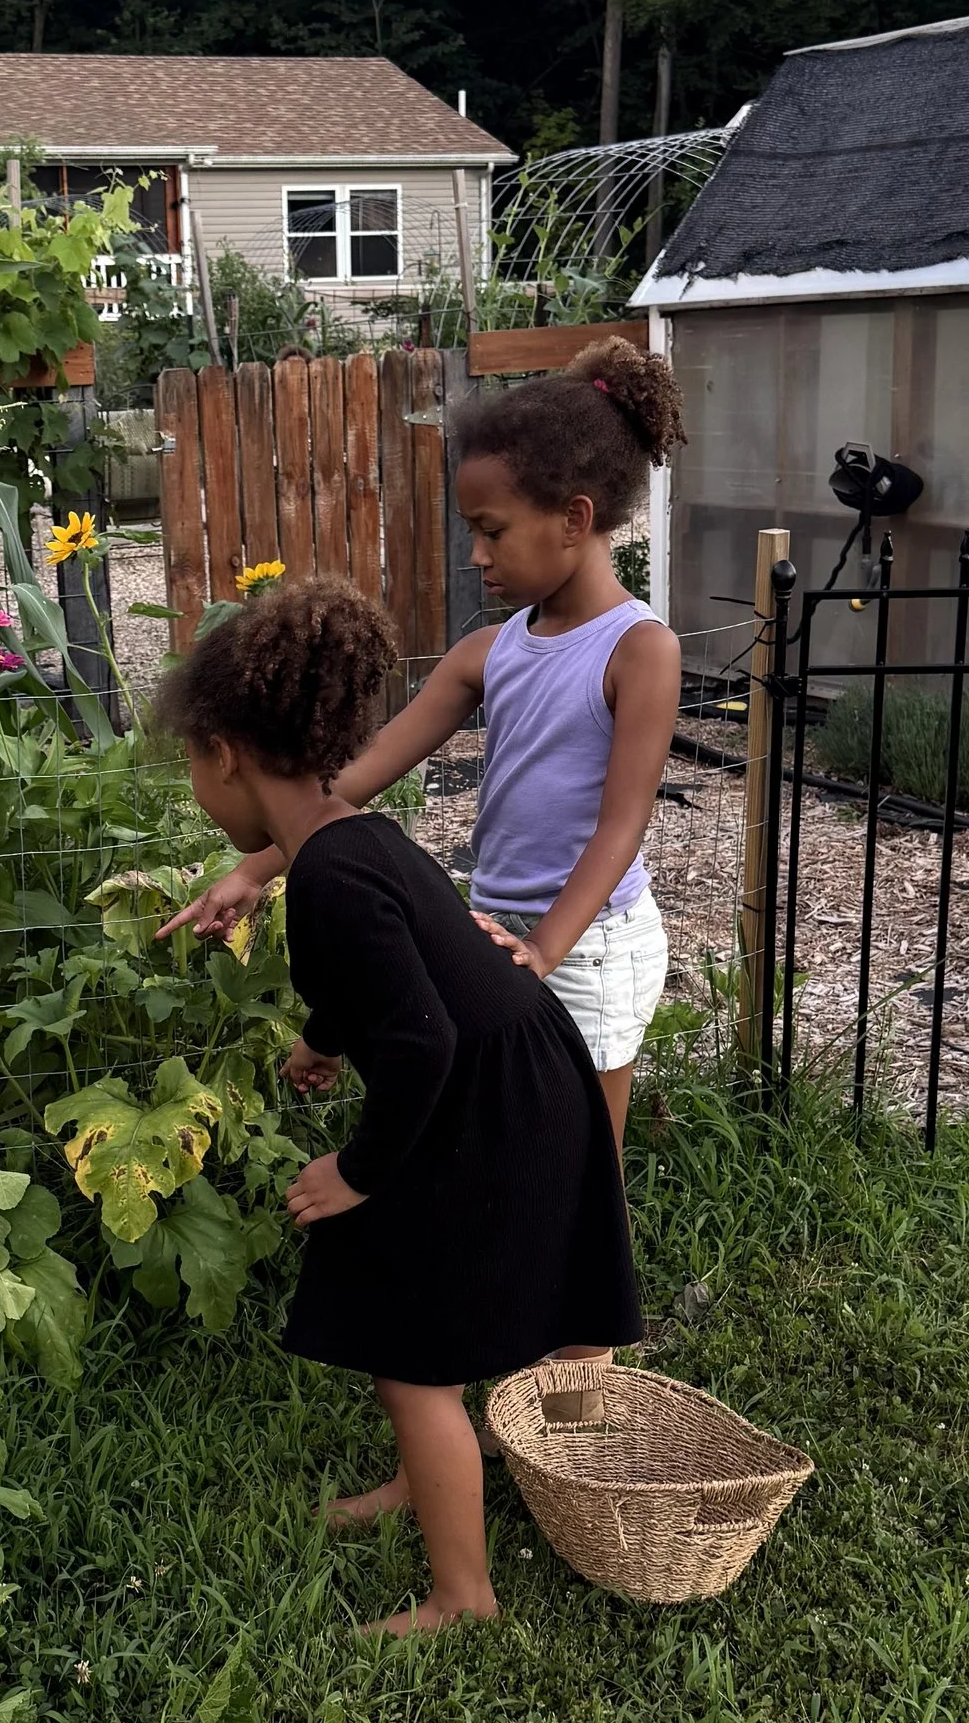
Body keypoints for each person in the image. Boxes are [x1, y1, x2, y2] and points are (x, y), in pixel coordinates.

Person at [159, 574, 641, 1636]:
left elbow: (419, 1039)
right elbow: (385, 980)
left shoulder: (326, 873)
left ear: (226, 755)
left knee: (420, 1354)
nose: (198, 786)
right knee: (393, 1302)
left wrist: (357, 1170)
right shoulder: (344, 840)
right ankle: (421, 1484)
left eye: (192, 765)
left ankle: (463, 1597)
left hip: (486, 1102)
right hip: (508, 1077)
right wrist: (325, 1042)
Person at [164, 336, 683, 1152]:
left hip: (588, 943)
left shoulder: (639, 651)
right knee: (501, 1143)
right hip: (494, 930)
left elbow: (623, 825)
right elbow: (357, 777)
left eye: (492, 530)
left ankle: (592, 1281)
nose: (476, 555)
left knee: (582, 1155)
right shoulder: (488, 652)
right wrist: (255, 870)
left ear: (574, 519)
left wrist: (547, 948)